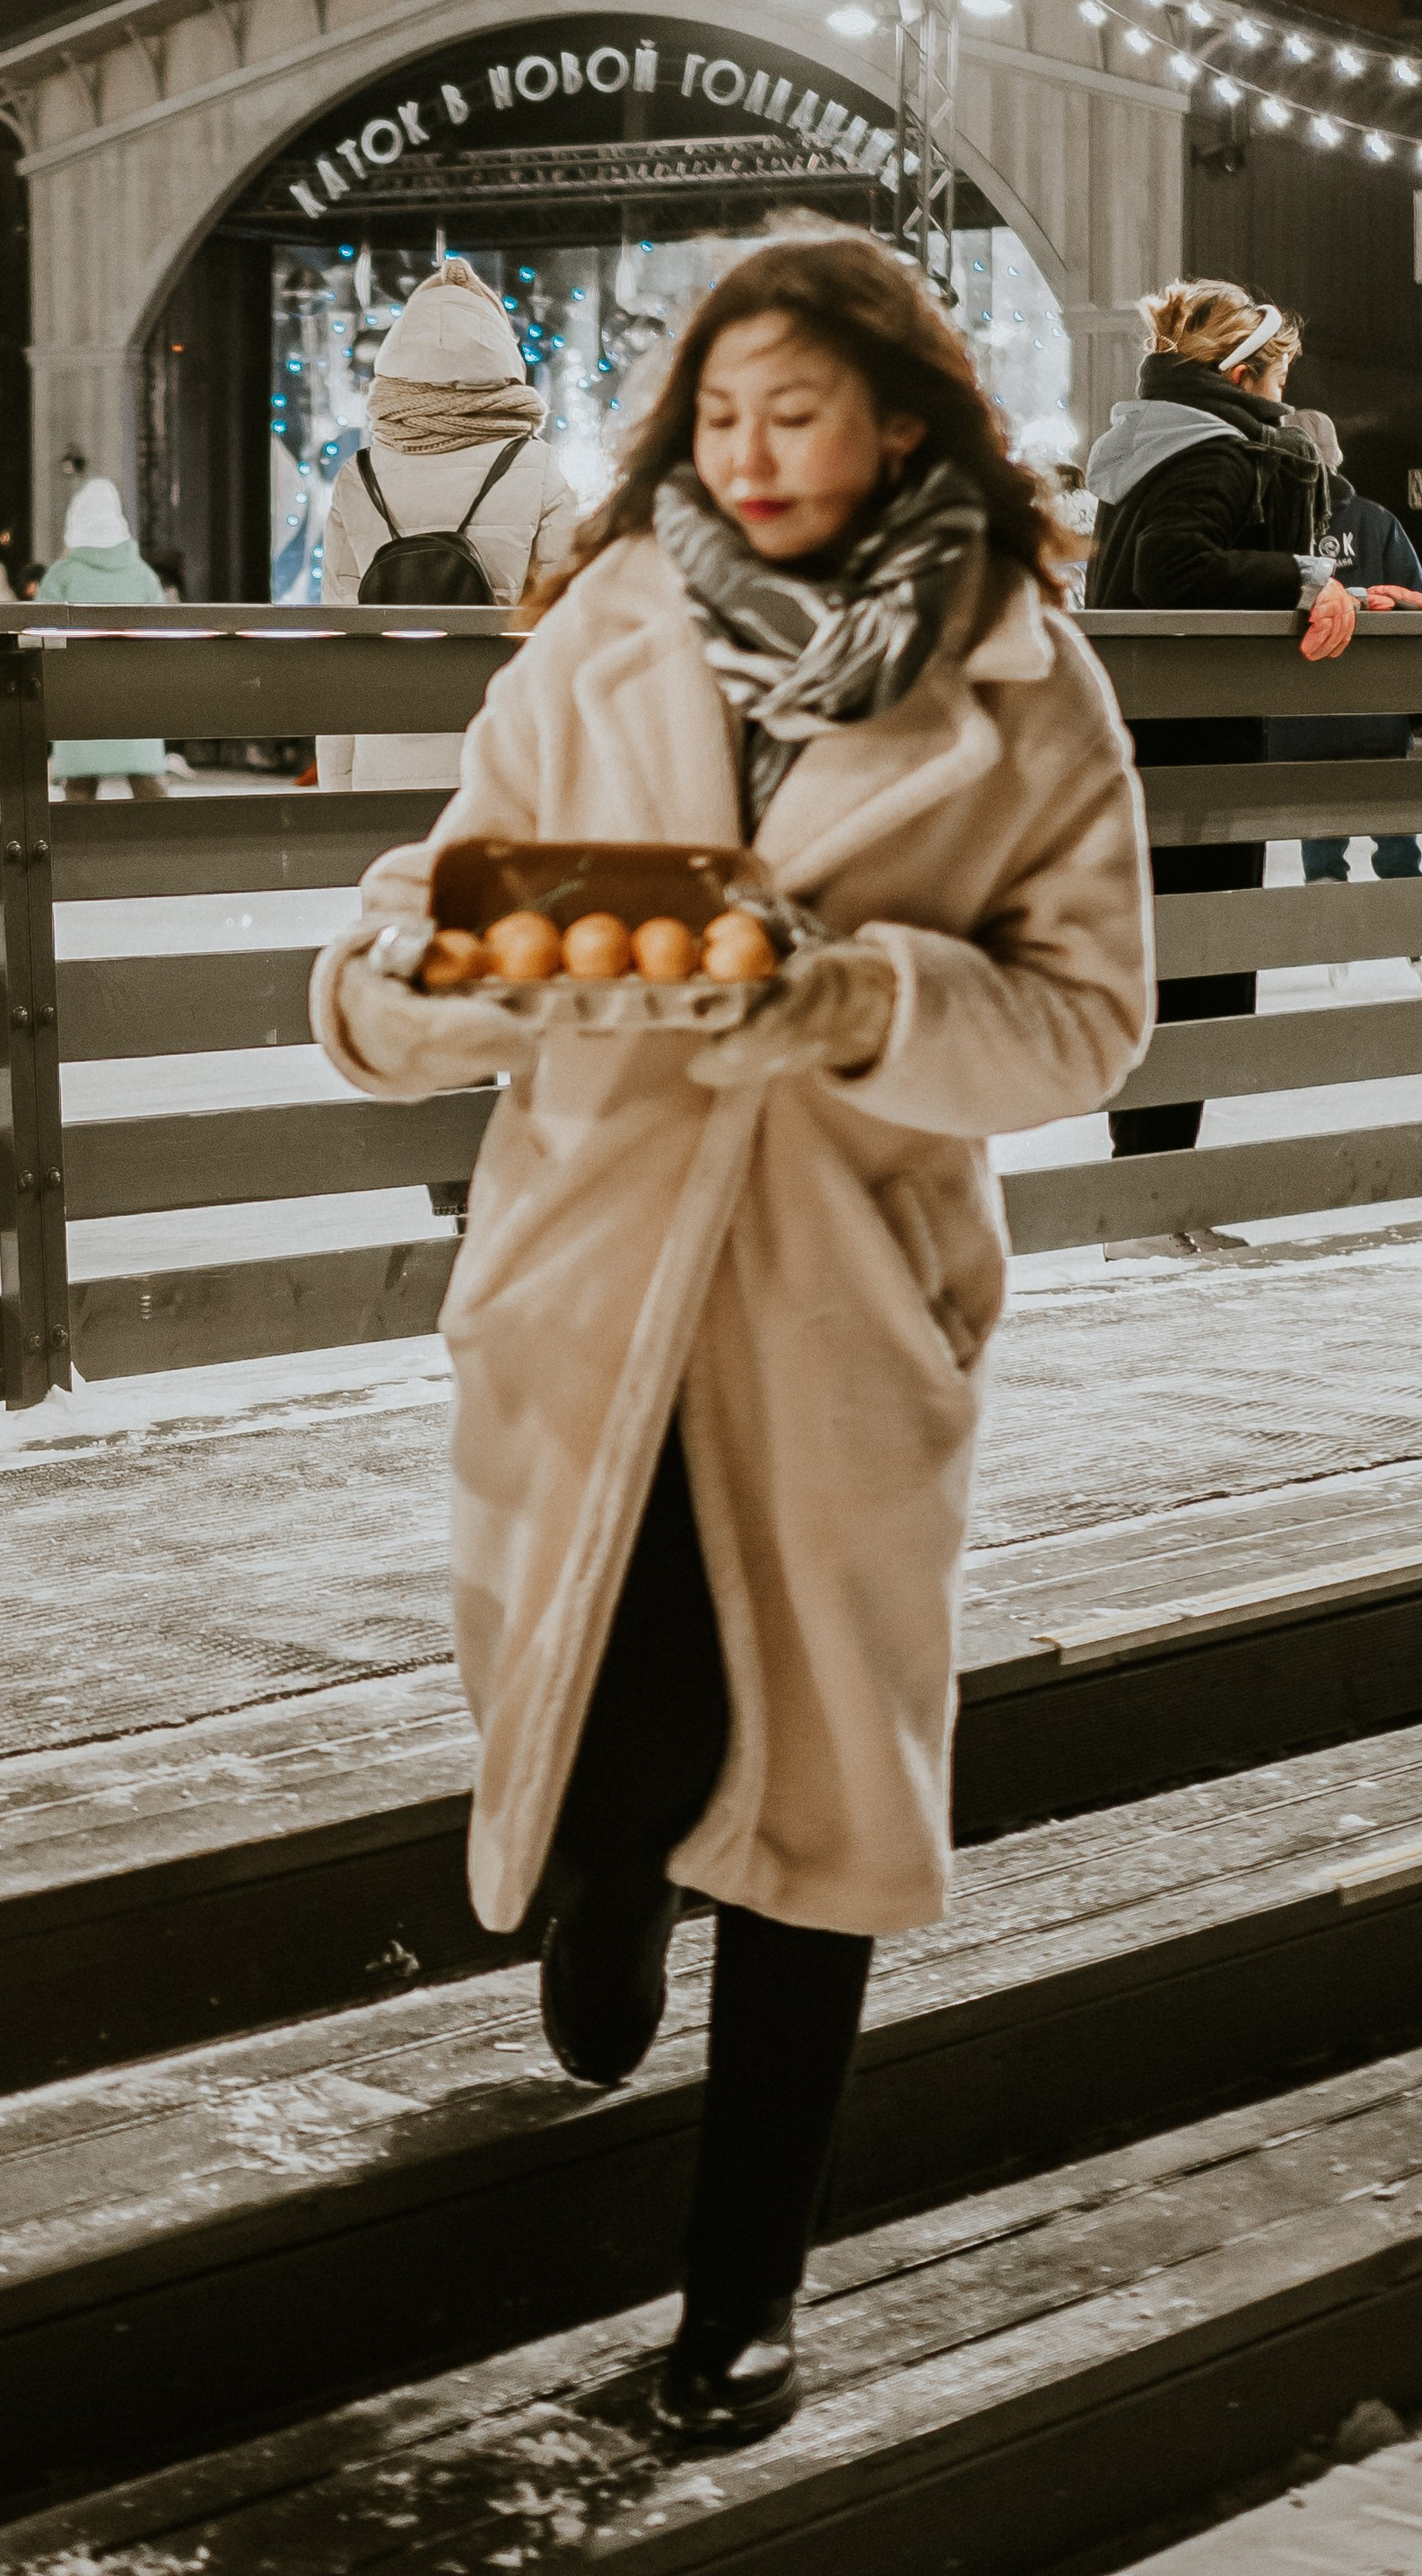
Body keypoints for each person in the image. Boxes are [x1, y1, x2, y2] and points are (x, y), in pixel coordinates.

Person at [310, 231, 1150, 2447]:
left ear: (897, 421)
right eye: (718, 412)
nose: (755, 452)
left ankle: (740, 2297)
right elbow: (434, 898)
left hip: (835, 1300)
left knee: (818, 1798)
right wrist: (415, 977)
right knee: (617, 1697)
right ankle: (605, 1871)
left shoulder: (1017, 678)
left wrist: (849, 996)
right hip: (587, 1272)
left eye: (798, 411)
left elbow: (1085, 1015)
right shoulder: (594, 622)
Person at [1086, 287, 1395, 1216]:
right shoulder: (1212, 449)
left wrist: (1342, 592)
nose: (1284, 391)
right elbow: (1171, 572)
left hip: (1160, 745)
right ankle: (1149, 1203)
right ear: (1241, 375)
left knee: (1189, 967)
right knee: (1197, 972)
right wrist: (1307, 579)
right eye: (1281, 373)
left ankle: (1156, 1197)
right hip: (1189, 752)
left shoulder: (1166, 443)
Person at [315, 258, 578, 791]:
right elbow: (570, 622)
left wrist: (338, 784)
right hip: (501, 745)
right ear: (500, 354)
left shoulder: (358, 475)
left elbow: (339, 640)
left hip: (384, 740)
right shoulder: (534, 464)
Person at [1264, 407, 1422, 893]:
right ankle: (1410, 940)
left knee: (1321, 838)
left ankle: (1329, 936)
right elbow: (1415, 600)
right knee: (1397, 839)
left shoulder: (1265, 529)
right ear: (1336, 457)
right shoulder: (1378, 521)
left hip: (1300, 719)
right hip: (1376, 714)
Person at [37, 479, 172, 798]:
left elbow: (39, 629)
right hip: (136, 695)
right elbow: (161, 633)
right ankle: (165, 841)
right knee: (145, 780)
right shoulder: (142, 574)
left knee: (79, 783)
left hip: (77, 693)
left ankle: (78, 844)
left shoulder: (62, 574)